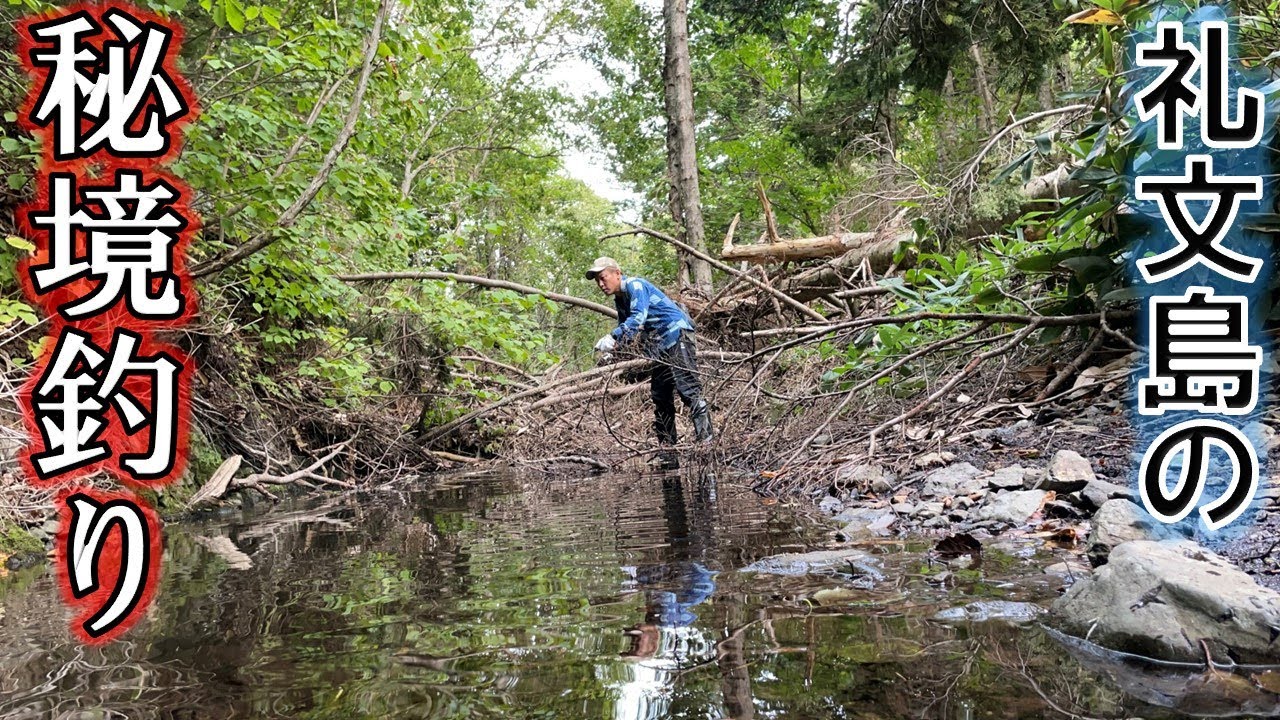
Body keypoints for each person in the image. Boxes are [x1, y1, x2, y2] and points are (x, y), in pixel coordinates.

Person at [586, 257, 713, 448]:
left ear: (617, 274)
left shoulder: (635, 285)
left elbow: (638, 318)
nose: (601, 284)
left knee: (689, 389)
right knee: (660, 396)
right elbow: (627, 331)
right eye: (598, 281)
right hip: (659, 346)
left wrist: (612, 337)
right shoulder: (620, 300)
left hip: (677, 335)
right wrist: (614, 352)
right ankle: (667, 449)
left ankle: (707, 444)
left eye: (603, 277)